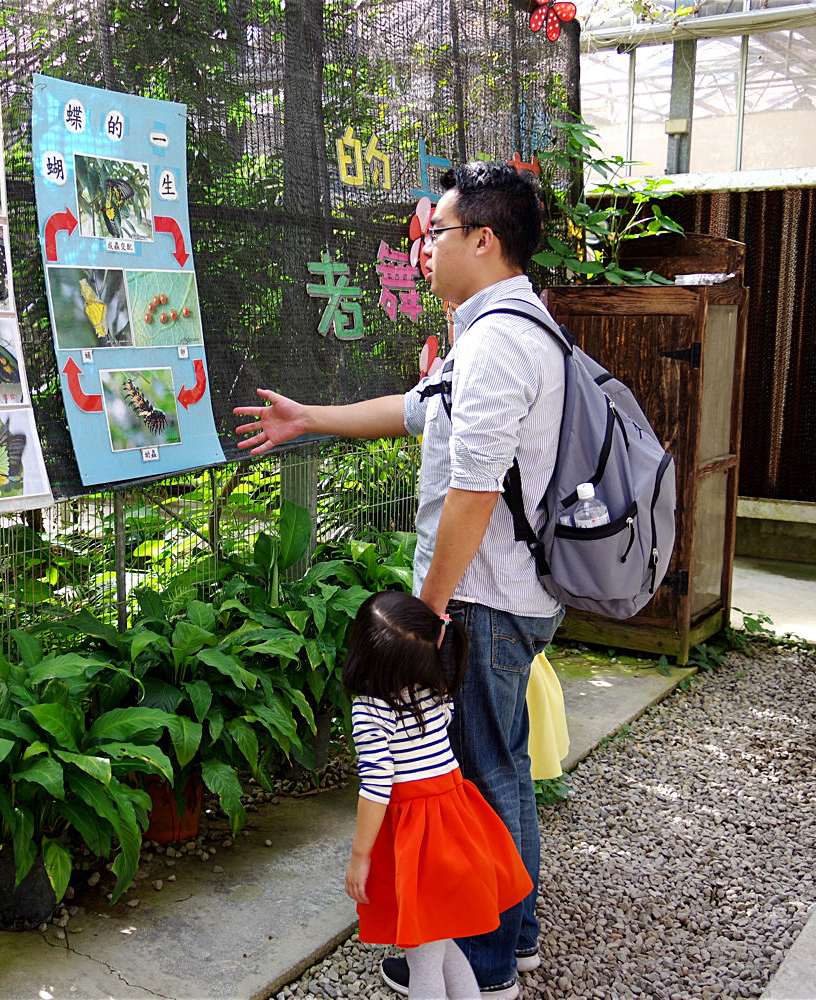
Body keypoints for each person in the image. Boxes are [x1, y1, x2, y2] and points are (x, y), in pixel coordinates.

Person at [233, 161, 565, 999]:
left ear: (483, 241)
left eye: (438, 232)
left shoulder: (496, 342)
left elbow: (475, 489)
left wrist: (430, 612)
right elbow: (416, 409)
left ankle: (484, 964)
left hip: (482, 599)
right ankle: (513, 936)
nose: (425, 247)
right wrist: (309, 417)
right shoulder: (506, 326)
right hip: (507, 591)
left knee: (480, 780)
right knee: (502, 766)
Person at [343, 590, 533, 1000]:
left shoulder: (369, 710)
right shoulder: (434, 692)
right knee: (443, 945)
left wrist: (360, 857)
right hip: (456, 826)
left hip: (418, 843)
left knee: (422, 959)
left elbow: (377, 787)